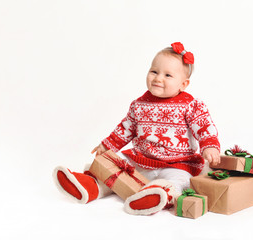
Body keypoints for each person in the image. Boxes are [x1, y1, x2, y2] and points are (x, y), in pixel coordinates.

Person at [53, 42, 221, 215]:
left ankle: (158, 194)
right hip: (141, 160)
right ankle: (91, 186)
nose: (158, 78)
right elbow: (126, 128)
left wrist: (209, 146)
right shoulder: (139, 104)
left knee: (179, 181)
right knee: (114, 164)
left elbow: (203, 126)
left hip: (177, 164)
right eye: (154, 71)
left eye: (168, 75)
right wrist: (108, 145)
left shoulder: (191, 105)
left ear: (183, 84)